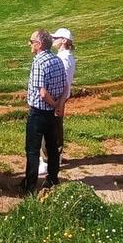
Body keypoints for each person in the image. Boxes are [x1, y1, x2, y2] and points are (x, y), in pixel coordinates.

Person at [22, 29, 67, 194]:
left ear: (39, 44)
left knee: (32, 150)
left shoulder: (39, 62)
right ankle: (52, 179)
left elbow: (42, 92)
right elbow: (65, 86)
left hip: (38, 113)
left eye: (31, 41)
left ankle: (30, 185)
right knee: (52, 147)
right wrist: (59, 105)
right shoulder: (57, 60)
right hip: (51, 115)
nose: (29, 44)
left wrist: (54, 104)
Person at [40, 28, 76, 175]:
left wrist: (58, 103)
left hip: (56, 99)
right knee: (55, 127)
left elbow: (65, 82)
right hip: (59, 99)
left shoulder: (63, 59)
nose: (53, 40)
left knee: (49, 128)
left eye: (56, 38)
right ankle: (55, 156)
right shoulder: (66, 57)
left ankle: (48, 160)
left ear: (64, 41)